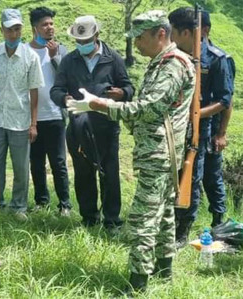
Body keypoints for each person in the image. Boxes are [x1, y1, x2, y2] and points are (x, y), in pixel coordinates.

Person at [68, 10, 195, 292]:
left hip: (160, 154)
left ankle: (137, 285)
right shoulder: (159, 63)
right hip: (158, 152)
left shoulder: (173, 65)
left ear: (160, 34)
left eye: (140, 37)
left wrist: (100, 105)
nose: (136, 44)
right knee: (162, 216)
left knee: (142, 220)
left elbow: (149, 109)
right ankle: (164, 273)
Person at [50, 15, 134, 232]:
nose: (82, 45)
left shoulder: (112, 58)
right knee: (83, 174)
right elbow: (56, 90)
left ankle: (112, 220)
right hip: (78, 127)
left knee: (110, 174)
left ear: (96, 35)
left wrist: (121, 93)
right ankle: (88, 218)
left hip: (106, 126)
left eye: (86, 40)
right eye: (78, 42)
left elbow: (129, 88)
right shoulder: (69, 61)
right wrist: (65, 99)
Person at [168, 8, 235, 248]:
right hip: (173, 126)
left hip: (202, 127)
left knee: (197, 177)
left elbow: (225, 100)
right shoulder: (172, 57)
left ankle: (187, 229)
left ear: (189, 32)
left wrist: (195, 116)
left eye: (174, 31)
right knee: (174, 176)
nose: (170, 36)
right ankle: (170, 223)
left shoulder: (217, 59)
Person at [0, 8, 44, 220]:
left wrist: (33, 123)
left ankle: (19, 206)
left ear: (23, 29)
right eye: (9, 30)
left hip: (20, 120)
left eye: (17, 29)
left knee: (21, 167)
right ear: (1, 30)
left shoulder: (30, 57)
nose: (13, 34)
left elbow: (34, 91)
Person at [27, 7, 71, 215]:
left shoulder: (61, 51)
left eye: (51, 24)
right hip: (32, 117)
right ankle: (41, 201)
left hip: (55, 115)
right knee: (36, 162)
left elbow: (68, 79)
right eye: (45, 24)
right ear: (35, 28)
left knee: (58, 162)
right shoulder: (25, 51)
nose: (50, 28)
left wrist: (55, 57)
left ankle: (65, 204)